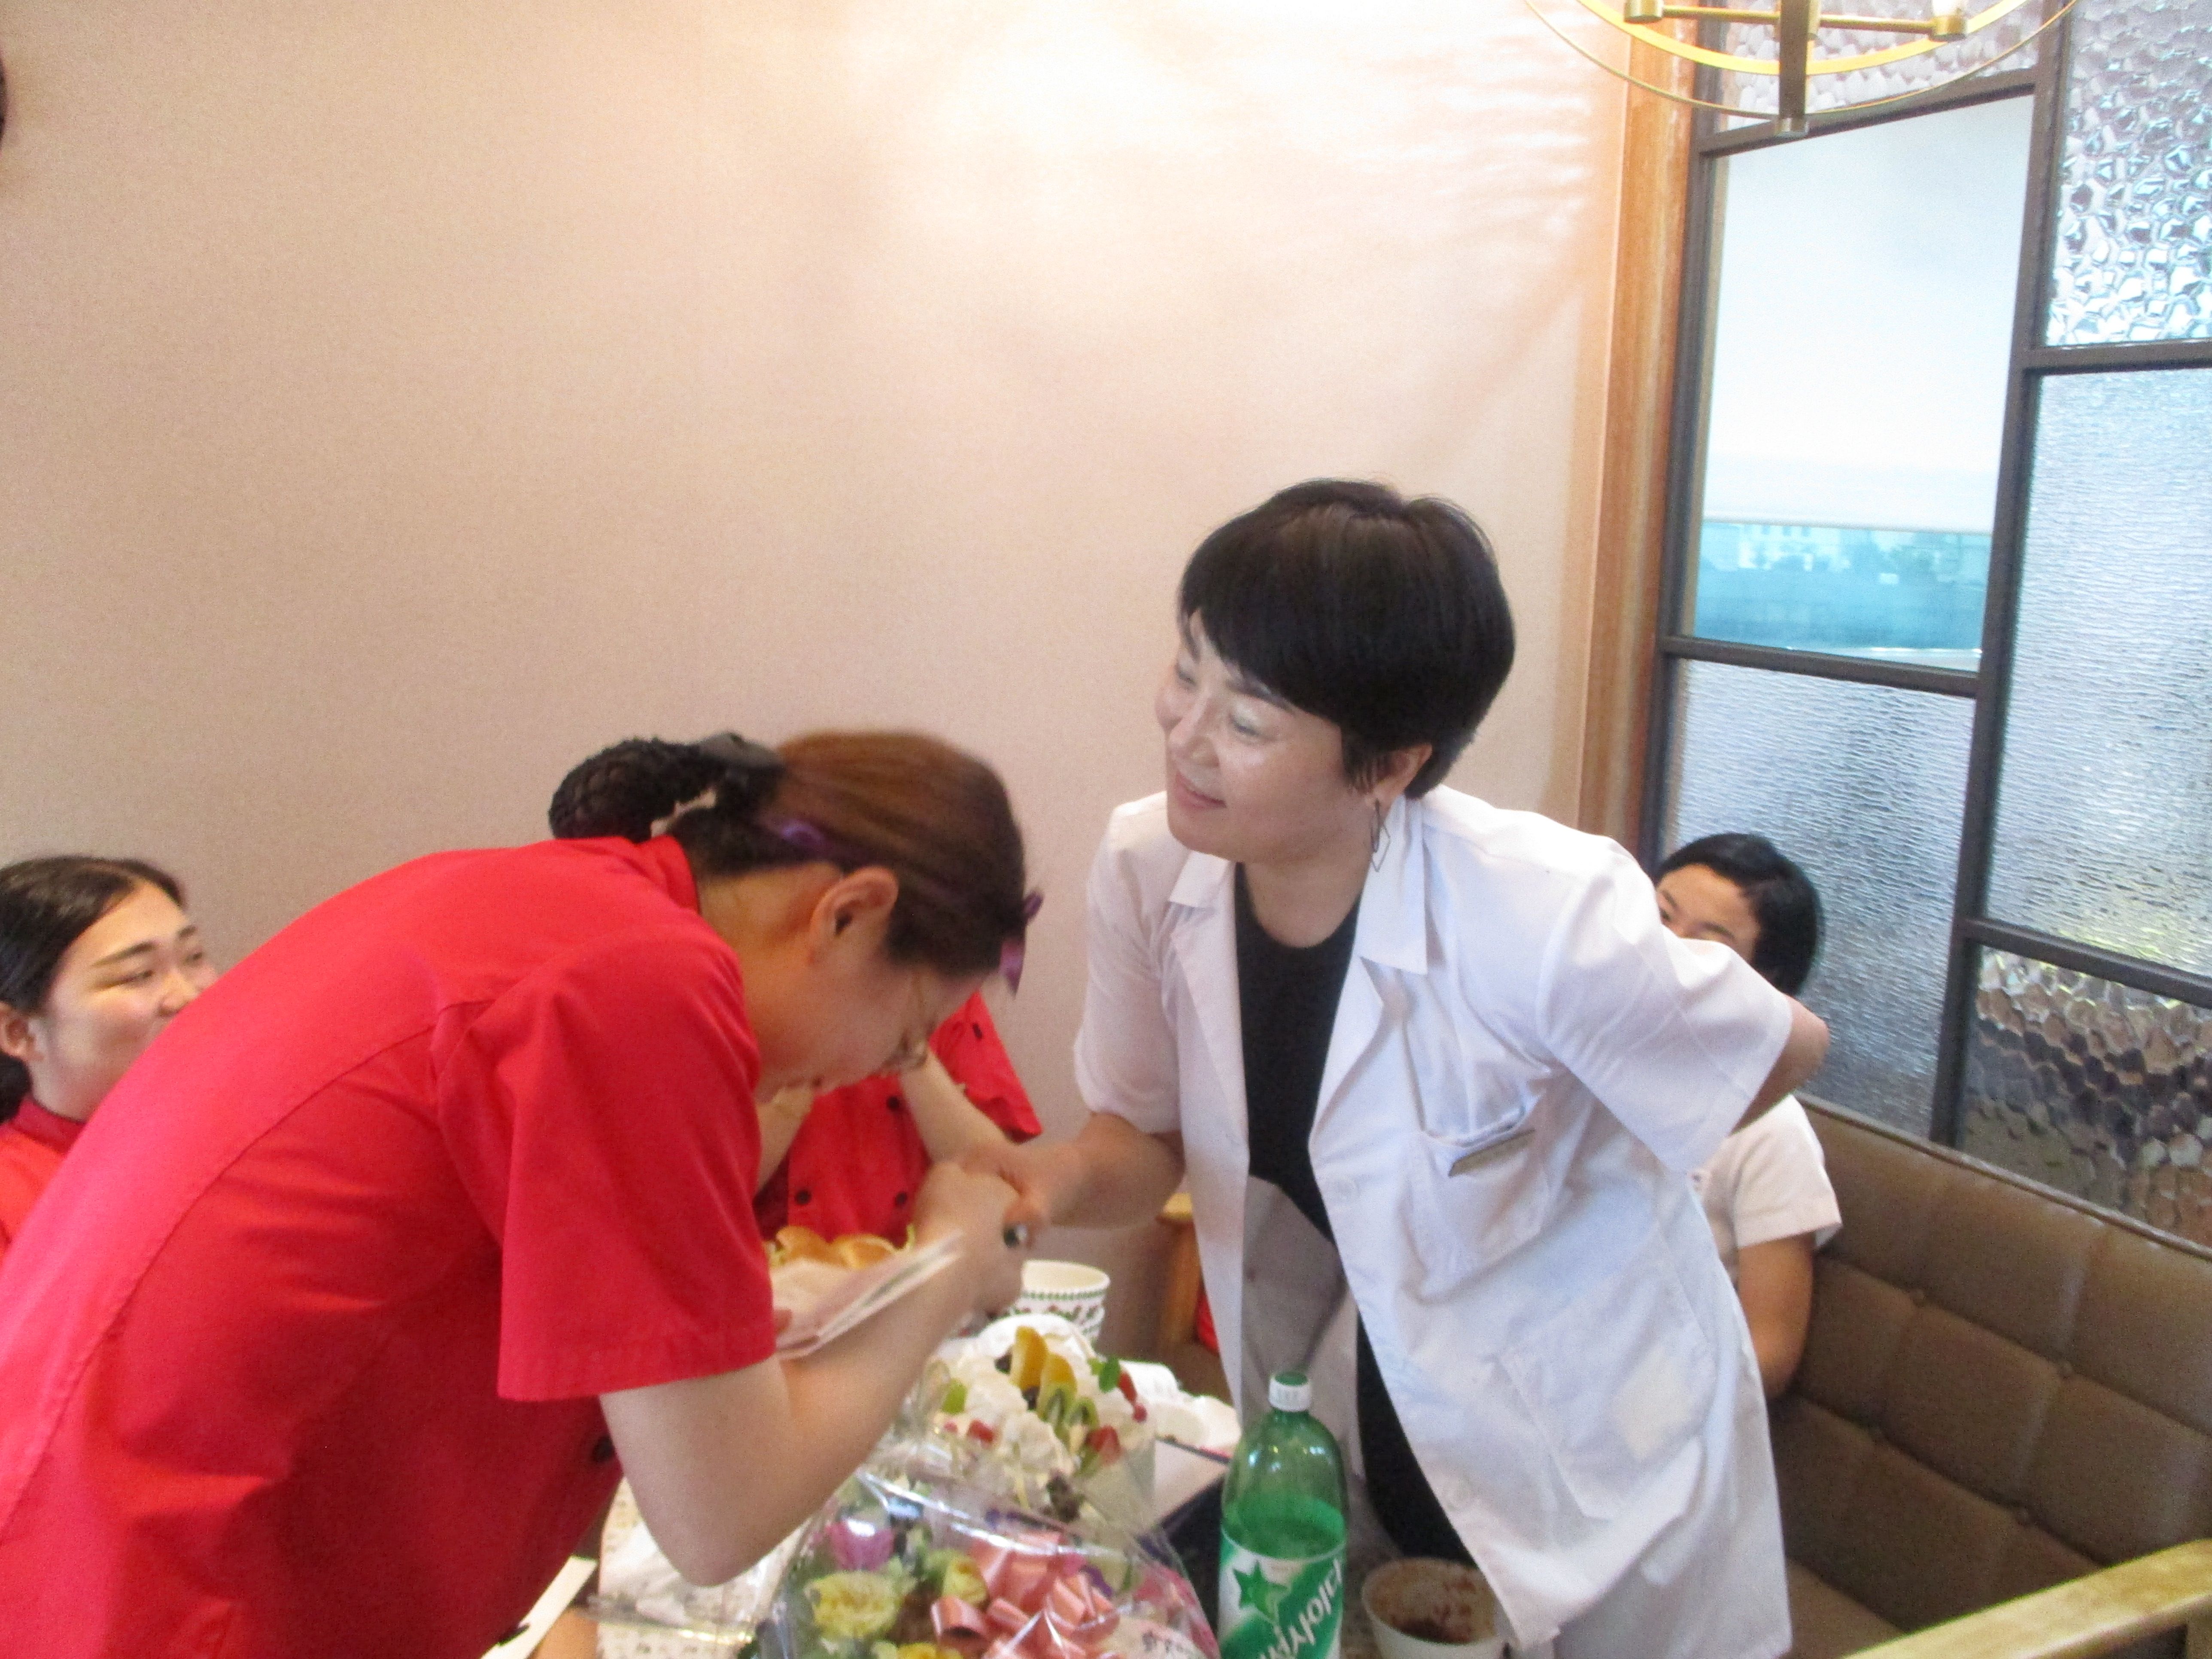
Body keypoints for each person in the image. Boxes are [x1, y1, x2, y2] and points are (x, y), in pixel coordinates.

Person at [965, 482, 1829, 1659]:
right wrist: (1046, 1185)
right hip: (1368, 1401)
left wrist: (1589, 1152)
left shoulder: (1538, 910)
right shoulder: (1151, 866)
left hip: (1596, 1444)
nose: (1186, 734)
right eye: (1187, 670)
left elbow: (1788, 1047)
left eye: (1248, 720)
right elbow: (1143, 1136)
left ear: (1388, 765)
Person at [0, 731, 1034, 1659]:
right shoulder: (641, 980)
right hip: (162, 1589)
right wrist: (946, 1263)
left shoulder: (555, 908)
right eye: (902, 1038)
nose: (868, 1072)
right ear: (848, 915)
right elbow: (721, 1512)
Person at [1656, 833, 1841, 1398]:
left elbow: (1770, 1355)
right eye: (1660, 917)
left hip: (1656, 1403)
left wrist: (1642, 1408)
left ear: (1766, 981)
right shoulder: (1586, 1054)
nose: (1666, 950)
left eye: (1707, 945)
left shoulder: (1772, 1133)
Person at [0, 856, 216, 1259]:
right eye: (138, 974)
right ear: (18, 1031)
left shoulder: (255, 1148)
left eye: (194, 957)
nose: (189, 996)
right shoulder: (11, 1198)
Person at [751, 994, 1040, 1245]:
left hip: (913, 1265)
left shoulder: (948, 989)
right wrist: (805, 1058)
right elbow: (729, 1184)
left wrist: (908, 1047)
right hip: (769, 1270)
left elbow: (998, 1185)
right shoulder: (760, 985)